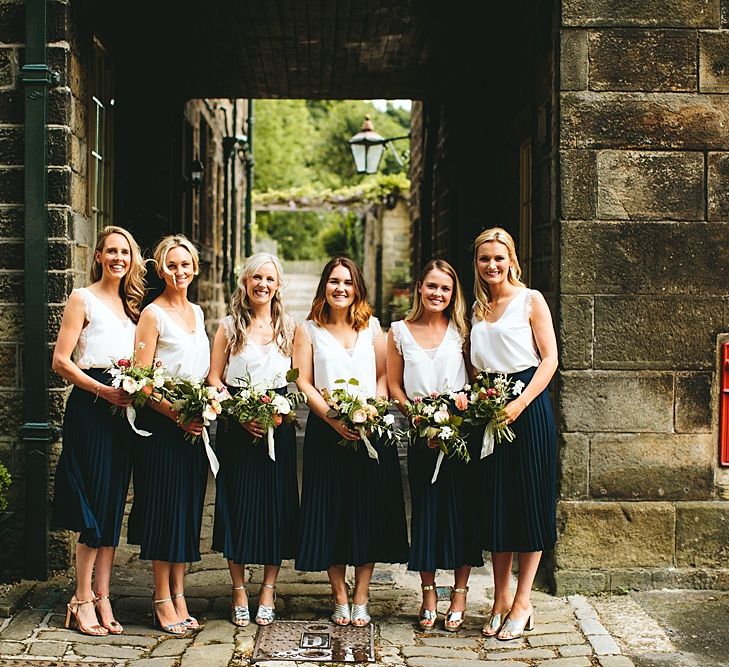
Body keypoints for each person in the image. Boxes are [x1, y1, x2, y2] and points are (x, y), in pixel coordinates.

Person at [293, 256, 408, 627]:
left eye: (347, 282)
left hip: (370, 433)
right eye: (333, 281)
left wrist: (370, 411)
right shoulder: (307, 329)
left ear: (357, 288)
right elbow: (304, 381)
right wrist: (332, 417)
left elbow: (382, 375)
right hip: (327, 434)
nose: (340, 288)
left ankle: (361, 594)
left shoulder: (373, 328)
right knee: (330, 512)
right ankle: (338, 594)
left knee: (366, 512)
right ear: (324, 286)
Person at [51, 226, 146, 636]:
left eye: (124, 252)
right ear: (98, 256)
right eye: (111, 251)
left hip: (122, 412)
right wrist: (101, 391)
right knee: (92, 505)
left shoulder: (134, 309)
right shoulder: (82, 298)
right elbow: (61, 360)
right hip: (91, 408)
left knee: (112, 504)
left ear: (132, 259)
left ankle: (103, 596)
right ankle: (81, 597)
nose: (118, 258)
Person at [469, 227, 558, 640]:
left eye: (498, 258)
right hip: (490, 408)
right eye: (485, 258)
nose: (492, 265)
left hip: (527, 408)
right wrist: (481, 398)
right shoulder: (476, 308)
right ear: (478, 263)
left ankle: (524, 601)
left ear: (511, 260)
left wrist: (519, 403)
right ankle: (500, 598)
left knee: (528, 501)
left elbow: (550, 359)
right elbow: (473, 363)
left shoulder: (530, 300)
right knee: (495, 503)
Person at [387, 259, 482, 632]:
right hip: (421, 434)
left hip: (459, 434)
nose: (437, 294)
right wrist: (415, 415)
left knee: (462, 512)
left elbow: (475, 380)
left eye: (445, 288)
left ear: (452, 293)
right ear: (419, 288)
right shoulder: (399, 331)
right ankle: (428, 593)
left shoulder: (462, 331)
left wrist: (463, 410)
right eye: (431, 286)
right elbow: (394, 384)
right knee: (426, 511)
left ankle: (459, 593)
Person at [208, 253, 298, 627]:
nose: (262, 284)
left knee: (275, 508)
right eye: (256, 277)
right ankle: (239, 589)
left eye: (270, 279)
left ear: (278, 286)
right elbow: (214, 378)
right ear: (244, 282)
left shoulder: (290, 327)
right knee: (237, 506)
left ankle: (268, 590)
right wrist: (240, 414)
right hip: (237, 428)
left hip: (278, 426)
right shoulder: (228, 327)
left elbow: (301, 378)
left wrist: (283, 409)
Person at [127, 235, 210, 637]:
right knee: (164, 509)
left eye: (186, 264)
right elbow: (141, 382)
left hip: (193, 428)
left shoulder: (197, 311)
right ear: (160, 270)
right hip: (163, 428)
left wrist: (207, 405)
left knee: (187, 511)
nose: (180, 271)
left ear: (195, 267)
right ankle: (161, 597)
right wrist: (177, 413)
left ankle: (181, 593)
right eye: (172, 265)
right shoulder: (152, 314)